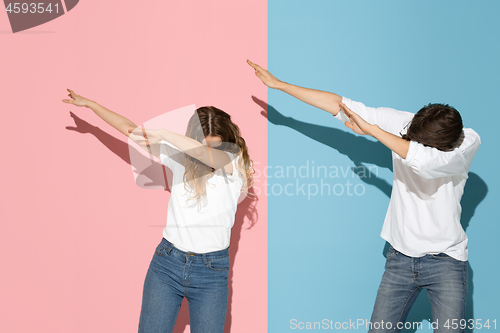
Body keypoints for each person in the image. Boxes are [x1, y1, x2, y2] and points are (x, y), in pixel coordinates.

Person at [247, 60, 480, 333]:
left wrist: (372, 130)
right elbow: (341, 104)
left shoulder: (466, 143)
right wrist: (280, 85)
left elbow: (426, 162)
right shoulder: (409, 125)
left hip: (446, 262)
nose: (410, 140)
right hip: (400, 258)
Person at [62, 89, 254, 333]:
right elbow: (129, 130)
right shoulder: (180, 156)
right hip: (167, 264)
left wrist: (164, 134)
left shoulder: (234, 161)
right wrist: (92, 105)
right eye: (201, 145)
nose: (206, 153)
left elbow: (208, 157)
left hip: (211, 273)